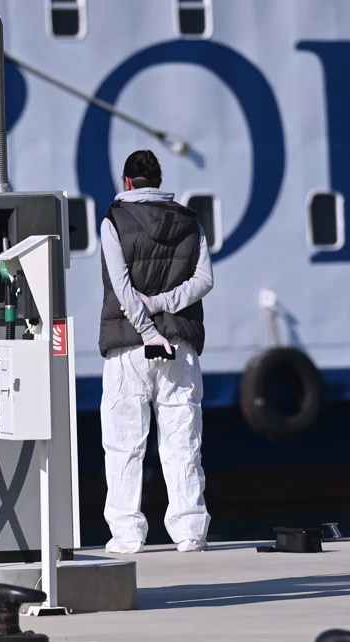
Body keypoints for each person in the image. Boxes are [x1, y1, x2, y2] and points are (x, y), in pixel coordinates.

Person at [99, 150, 214, 554]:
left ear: (127, 181)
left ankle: (128, 535)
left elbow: (122, 288)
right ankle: (190, 532)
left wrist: (148, 327)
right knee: (183, 440)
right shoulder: (189, 221)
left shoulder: (114, 220)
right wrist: (166, 304)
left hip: (130, 348)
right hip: (179, 345)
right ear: (158, 180)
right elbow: (204, 281)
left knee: (124, 443)